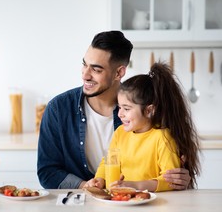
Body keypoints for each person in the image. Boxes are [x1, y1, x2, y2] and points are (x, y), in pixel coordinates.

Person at [37, 30, 191, 190]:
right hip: (80, 203)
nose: (85, 75)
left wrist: (180, 178)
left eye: (96, 69)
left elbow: (170, 168)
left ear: (119, 72)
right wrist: (89, 186)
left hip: (139, 204)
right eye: (84, 64)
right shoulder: (58, 109)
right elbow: (48, 172)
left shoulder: (141, 109)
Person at [85, 62, 200, 191]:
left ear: (149, 110)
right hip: (125, 201)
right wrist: (100, 179)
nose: (120, 114)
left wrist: (135, 186)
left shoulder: (162, 137)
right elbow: (108, 163)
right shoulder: (120, 133)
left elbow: (171, 181)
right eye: (119, 107)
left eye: (127, 109)